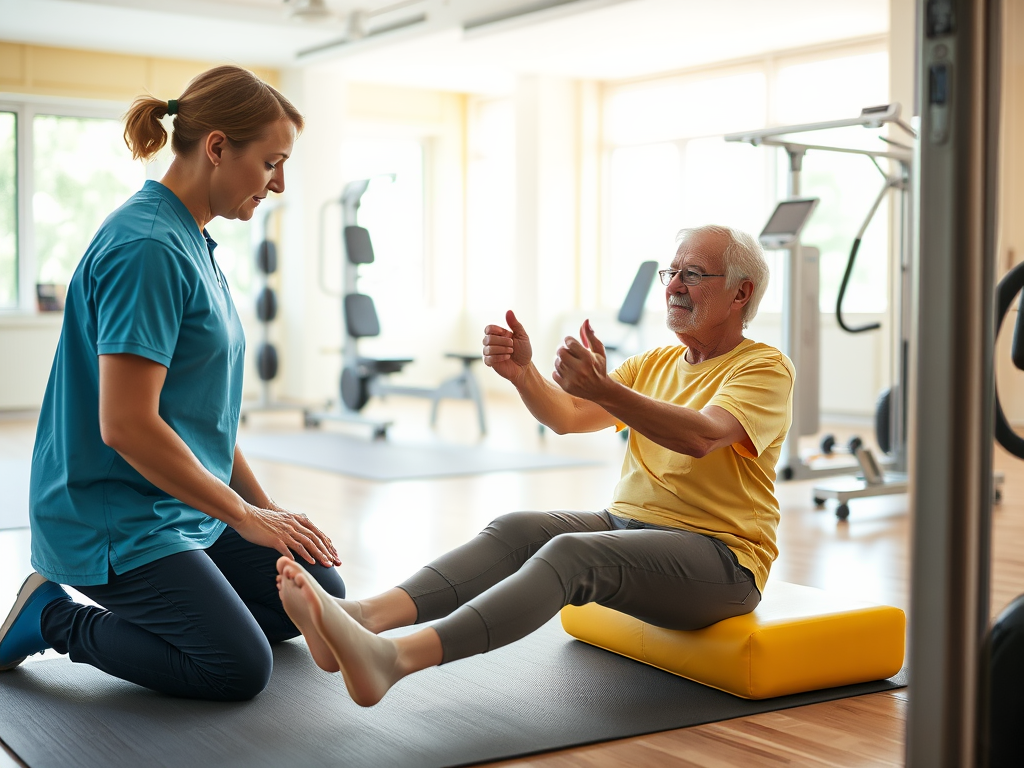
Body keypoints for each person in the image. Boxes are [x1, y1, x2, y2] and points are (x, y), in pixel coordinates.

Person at [275, 224, 794, 707]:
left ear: (741, 293)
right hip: (628, 525)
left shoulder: (764, 367)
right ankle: (362, 618)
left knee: (572, 554)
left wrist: (607, 388)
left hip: (722, 559)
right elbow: (568, 415)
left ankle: (397, 659)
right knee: (517, 528)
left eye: (693, 275)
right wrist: (523, 374)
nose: (675, 286)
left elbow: (703, 436)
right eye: (672, 273)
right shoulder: (655, 363)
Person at [0, 65, 344, 701]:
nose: (281, 182)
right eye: (272, 162)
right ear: (217, 148)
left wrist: (266, 515)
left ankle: (185, 593)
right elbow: (126, 425)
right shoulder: (150, 247)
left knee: (317, 593)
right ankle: (51, 616)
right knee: (238, 666)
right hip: (112, 515)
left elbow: (201, 418)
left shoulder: (194, 241)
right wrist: (242, 516)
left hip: (178, 505)